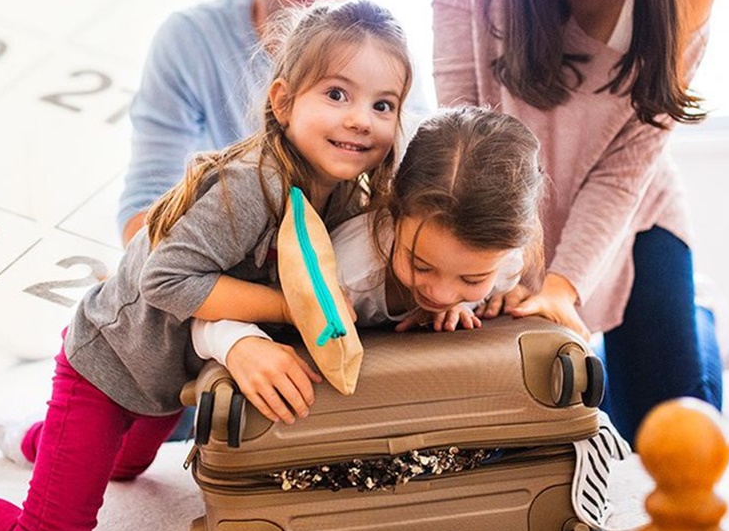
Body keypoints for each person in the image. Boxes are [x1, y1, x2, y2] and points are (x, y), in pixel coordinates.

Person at [0, 0, 413, 531]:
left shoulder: (343, 198)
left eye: (382, 104)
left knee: (126, 467)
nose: (362, 118)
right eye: (337, 94)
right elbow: (169, 279)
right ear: (283, 102)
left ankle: (33, 441)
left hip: (166, 376)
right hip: (107, 364)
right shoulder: (249, 186)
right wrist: (293, 307)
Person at [432, 0, 724, 443]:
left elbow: (629, 164)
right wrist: (497, 257)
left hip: (631, 215)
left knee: (671, 430)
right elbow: (459, 112)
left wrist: (563, 286)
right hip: (507, 209)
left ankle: (701, 313)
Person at [192, 107, 546, 422]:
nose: (441, 292)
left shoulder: (506, 262)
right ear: (393, 214)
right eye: (421, 266)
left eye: (472, 278)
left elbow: (497, 283)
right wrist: (238, 345)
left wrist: (479, 300)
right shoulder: (348, 270)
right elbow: (204, 314)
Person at [117, 0, 357, 246]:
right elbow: (145, 212)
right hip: (220, 257)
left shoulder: (377, 50)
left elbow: (417, 178)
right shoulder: (189, 42)